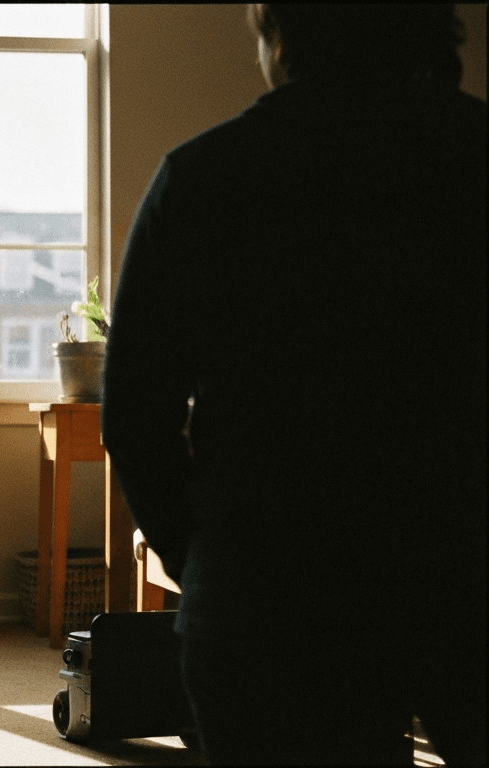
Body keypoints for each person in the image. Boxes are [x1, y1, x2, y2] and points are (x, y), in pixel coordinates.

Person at [102, 4, 485, 765]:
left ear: (281, 37)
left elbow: (136, 413)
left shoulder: (206, 174)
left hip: (269, 577)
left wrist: (204, 560)